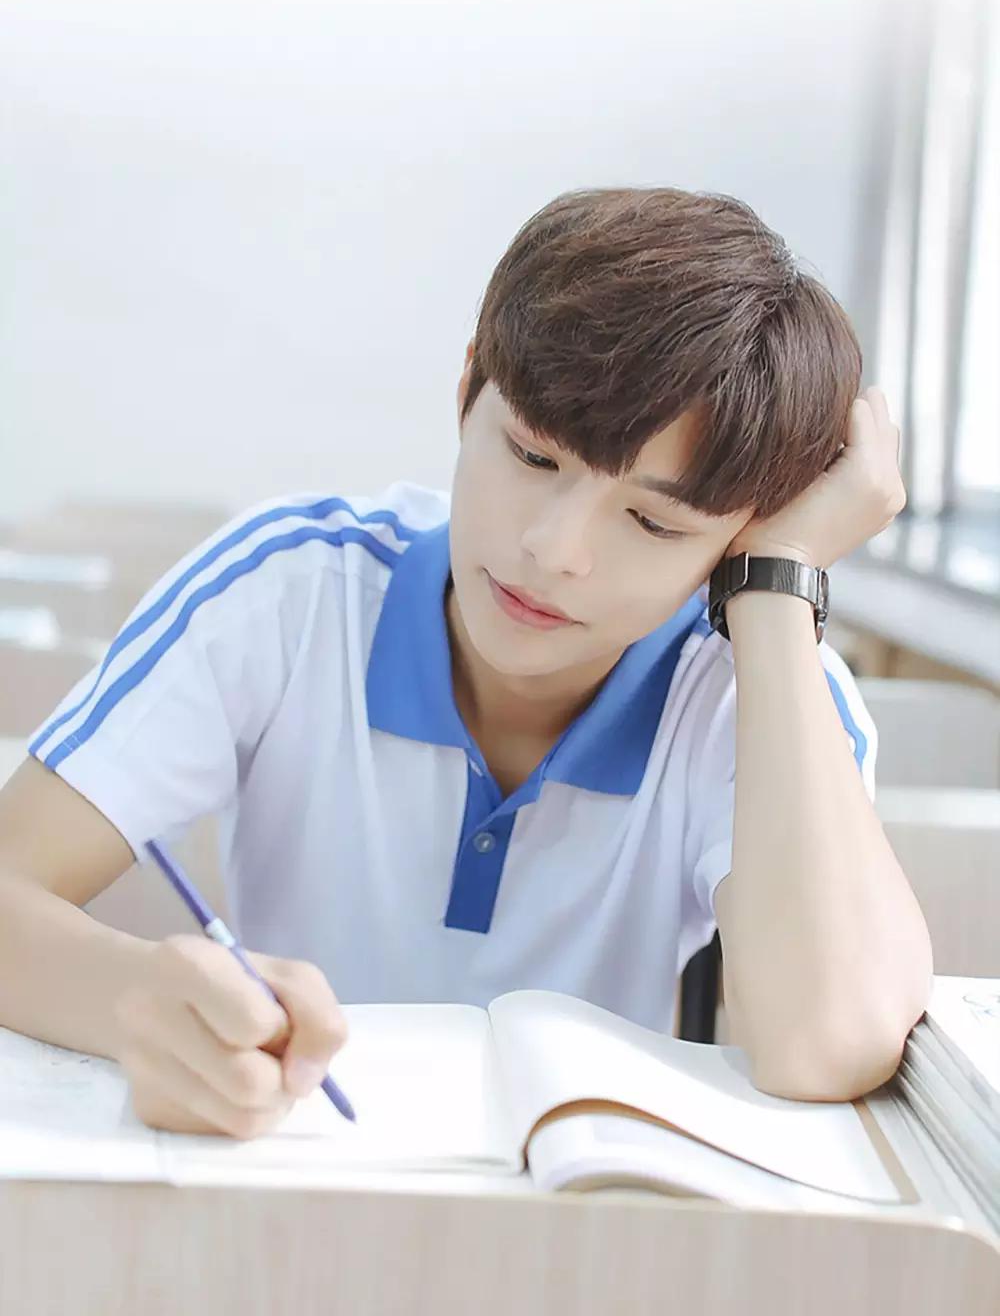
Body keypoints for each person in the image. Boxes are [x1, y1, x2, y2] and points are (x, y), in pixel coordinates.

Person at [0, 187, 933, 1140]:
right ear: (466, 397)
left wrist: (777, 587)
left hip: (576, 1206)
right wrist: (137, 1000)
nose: (554, 549)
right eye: (532, 457)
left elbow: (831, 1040)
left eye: (654, 523)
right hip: (278, 1175)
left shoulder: (760, 691)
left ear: (735, 539)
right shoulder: (289, 591)